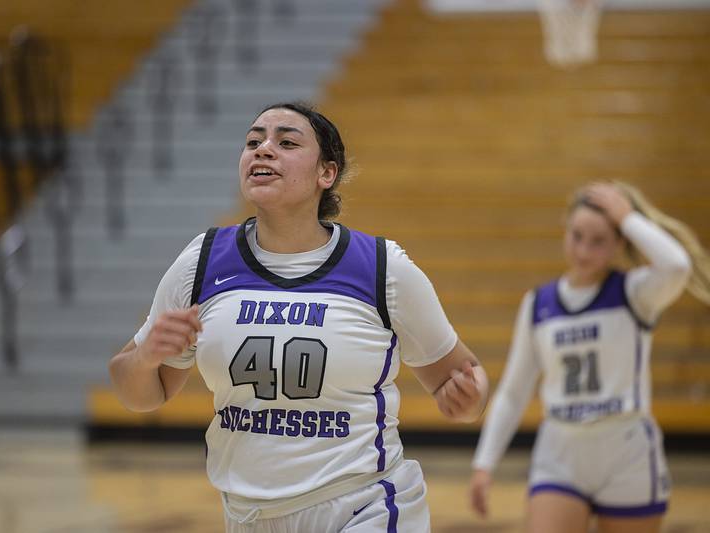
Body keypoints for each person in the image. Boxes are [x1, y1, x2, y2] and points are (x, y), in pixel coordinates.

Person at [109, 101, 489, 532]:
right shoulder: (203, 260)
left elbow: (462, 376)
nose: (263, 150)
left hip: (363, 504)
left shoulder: (383, 267)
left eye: (286, 142)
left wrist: (468, 398)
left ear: (326, 174)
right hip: (249, 514)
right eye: (253, 142)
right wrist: (146, 359)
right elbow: (140, 393)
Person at [469, 181, 710, 533]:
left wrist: (627, 217)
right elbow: (513, 391)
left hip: (627, 453)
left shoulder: (635, 292)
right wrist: (484, 463)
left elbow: (676, 266)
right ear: (565, 230)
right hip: (560, 453)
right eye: (576, 236)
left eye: (599, 241)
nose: (583, 250)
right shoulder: (538, 304)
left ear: (619, 243)